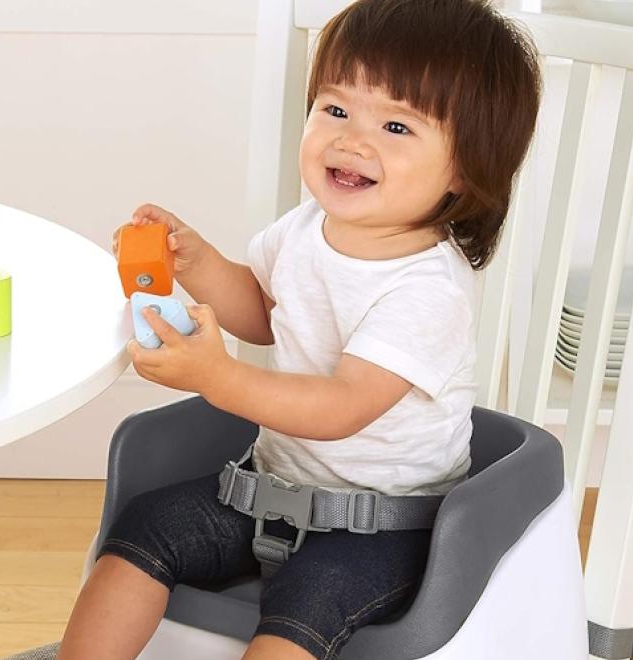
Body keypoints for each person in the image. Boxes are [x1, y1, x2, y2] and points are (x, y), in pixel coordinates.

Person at [58, 1, 540, 658]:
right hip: (270, 486)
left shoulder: (429, 290)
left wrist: (219, 378)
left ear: (463, 169)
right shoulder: (305, 228)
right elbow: (262, 310)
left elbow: (344, 407)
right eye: (336, 110)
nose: (352, 140)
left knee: (303, 607)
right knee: (144, 530)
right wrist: (197, 263)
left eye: (396, 125)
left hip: (384, 528)